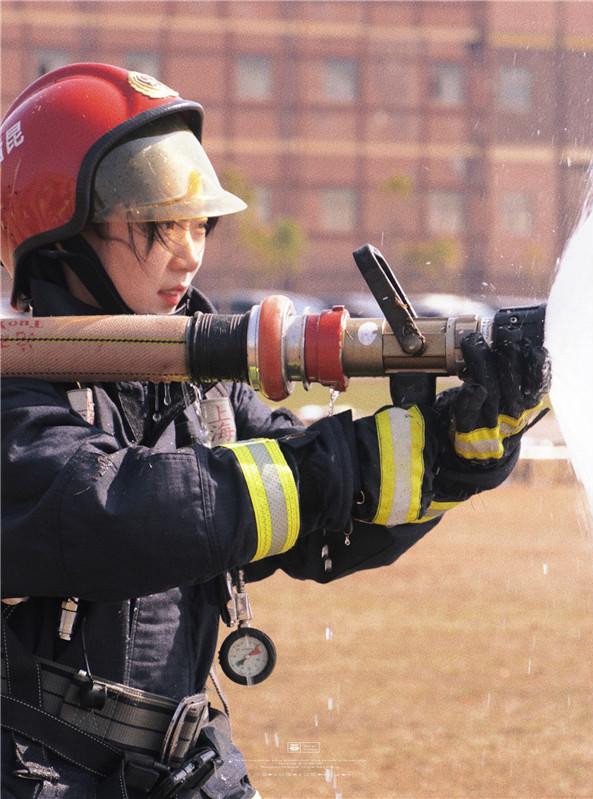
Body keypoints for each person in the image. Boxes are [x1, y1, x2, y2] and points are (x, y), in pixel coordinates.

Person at [0, 63, 549, 799]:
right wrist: (326, 468)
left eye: (198, 224)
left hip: (182, 764)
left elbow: (326, 521)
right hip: (42, 770)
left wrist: (453, 449)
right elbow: (116, 512)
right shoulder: (16, 396)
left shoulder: (200, 394)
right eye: (156, 225)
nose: (189, 253)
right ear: (58, 229)